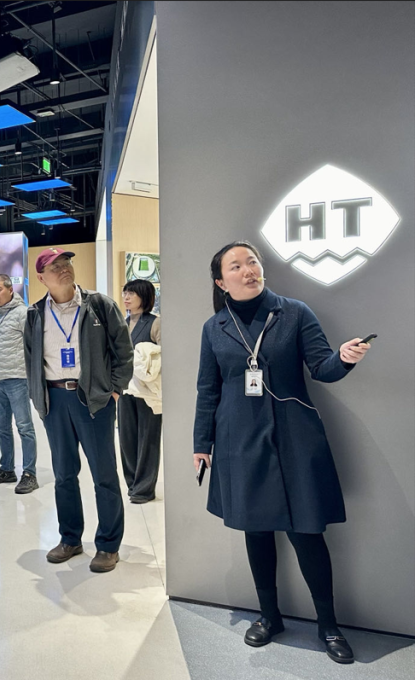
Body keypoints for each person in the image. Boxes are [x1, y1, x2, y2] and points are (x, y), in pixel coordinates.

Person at [192, 241, 370, 663]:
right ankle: (269, 617)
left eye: (252, 261)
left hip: (294, 439)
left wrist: (345, 358)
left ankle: (328, 626)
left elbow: (322, 367)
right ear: (221, 281)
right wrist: (201, 444)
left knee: (307, 532)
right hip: (238, 440)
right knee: (256, 531)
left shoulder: (294, 312)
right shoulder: (214, 327)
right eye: (236, 266)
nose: (248, 269)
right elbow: (207, 389)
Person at [24, 248, 133, 573]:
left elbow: (123, 351)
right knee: (64, 474)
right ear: (41, 278)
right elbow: (30, 358)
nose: (64, 269)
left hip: (93, 400)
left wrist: (114, 391)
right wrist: (39, 399)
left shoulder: (99, 305)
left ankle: (108, 545)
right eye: (55, 266)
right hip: (55, 401)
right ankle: (70, 538)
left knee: (104, 474)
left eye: (67, 263)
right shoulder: (35, 314)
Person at [0, 275, 38, 494]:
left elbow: (34, 345)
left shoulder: (23, 313)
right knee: (1, 426)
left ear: (10, 289)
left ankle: (29, 473)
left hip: (17, 378)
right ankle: (7, 468)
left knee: (24, 427)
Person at [119, 279, 163, 504]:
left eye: (131, 294)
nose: (126, 297)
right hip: (125, 390)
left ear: (144, 297)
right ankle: (132, 484)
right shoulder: (122, 323)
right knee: (126, 438)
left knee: (148, 438)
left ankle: (144, 489)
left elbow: (163, 355)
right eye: (125, 293)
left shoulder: (155, 323)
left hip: (148, 392)